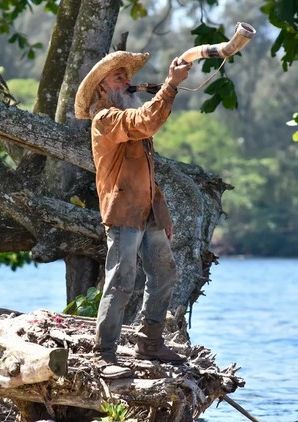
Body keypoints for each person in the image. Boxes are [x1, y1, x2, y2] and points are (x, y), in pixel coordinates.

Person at [74, 51, 192, 378]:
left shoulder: (125, 120)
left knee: (164, 272)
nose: (126, 83)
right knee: (121, 279)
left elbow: (147, 174)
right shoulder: (106, 120)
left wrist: (163, 214)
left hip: (147, 210)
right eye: (118, 79)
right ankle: (103, 354)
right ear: (101, 89)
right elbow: (145, 120)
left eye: (126, 77)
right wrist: (171, 85)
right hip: (124, 211)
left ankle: (150, 342)